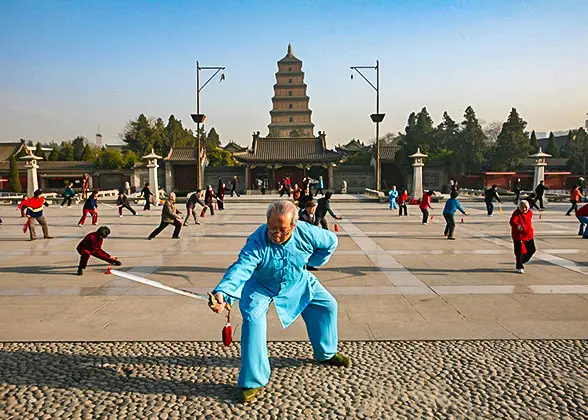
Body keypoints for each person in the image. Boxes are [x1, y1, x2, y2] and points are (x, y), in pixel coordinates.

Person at [209, 200, 350, 403]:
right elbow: (241, 267)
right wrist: (223, 292)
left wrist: (315, 261)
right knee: (252, 320)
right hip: (260, 286)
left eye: (282, 229)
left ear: (294, 225)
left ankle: (326, 352)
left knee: (327, 305)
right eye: (272, 227)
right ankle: (253, 380)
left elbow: (331, 241)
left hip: (297, 280)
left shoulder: (306, 231)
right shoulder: (257, 241)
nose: (276, 233)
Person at [509, 200, 536, 274]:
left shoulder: (530, 212)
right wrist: (518, 226)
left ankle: (522, 260)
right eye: (522, 208)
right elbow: (512, 221)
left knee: (532, 249)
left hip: (528, 234)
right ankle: (519, 266)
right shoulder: (516, 213)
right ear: (519, 207)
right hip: (518, 236)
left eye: (526, 207)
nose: (524, 209)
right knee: (518, 252)